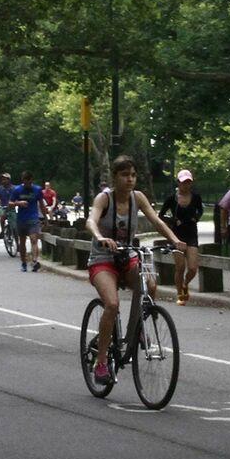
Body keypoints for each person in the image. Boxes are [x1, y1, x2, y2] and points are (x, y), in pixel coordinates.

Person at [86, 155, 186, 385]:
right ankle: (101, 363)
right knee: (111, 304)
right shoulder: (105, 199)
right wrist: (101, 237)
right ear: (115, 177)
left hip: (127, 255)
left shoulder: (137, 198)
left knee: (149, 284)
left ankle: (136, 328)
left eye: (133, 175)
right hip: (103, 259)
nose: (130, 179)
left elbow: (157, 222)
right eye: (124, 175)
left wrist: (174, 240)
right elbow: (91, 221)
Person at [159, 169, 204, 306]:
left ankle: (185, 283)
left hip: (191, 234)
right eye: (184, 182)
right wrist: (173, 220)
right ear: (178, 182)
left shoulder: (195, 197)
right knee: (180, 267)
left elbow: (200, 210)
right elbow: (160, 215)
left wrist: (196, 218)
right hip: (177, 235)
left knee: (192, 268)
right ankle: (180, 293)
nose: (186, 185)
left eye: (189, 182)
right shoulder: (172, 198)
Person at [9, 171, 48, 271]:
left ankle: (34, 261)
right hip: (21, 219)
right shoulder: (17, 190)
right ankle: (23, 263)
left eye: (29, 182)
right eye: (25, 182)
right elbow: (10, 203)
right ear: (23, 180)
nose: (27, 184)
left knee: (34, 239)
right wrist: (19, 203)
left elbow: (42, 205)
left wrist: (45, 217)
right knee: (22, 242)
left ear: (31, 180)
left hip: (33, 218)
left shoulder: (37, 189)